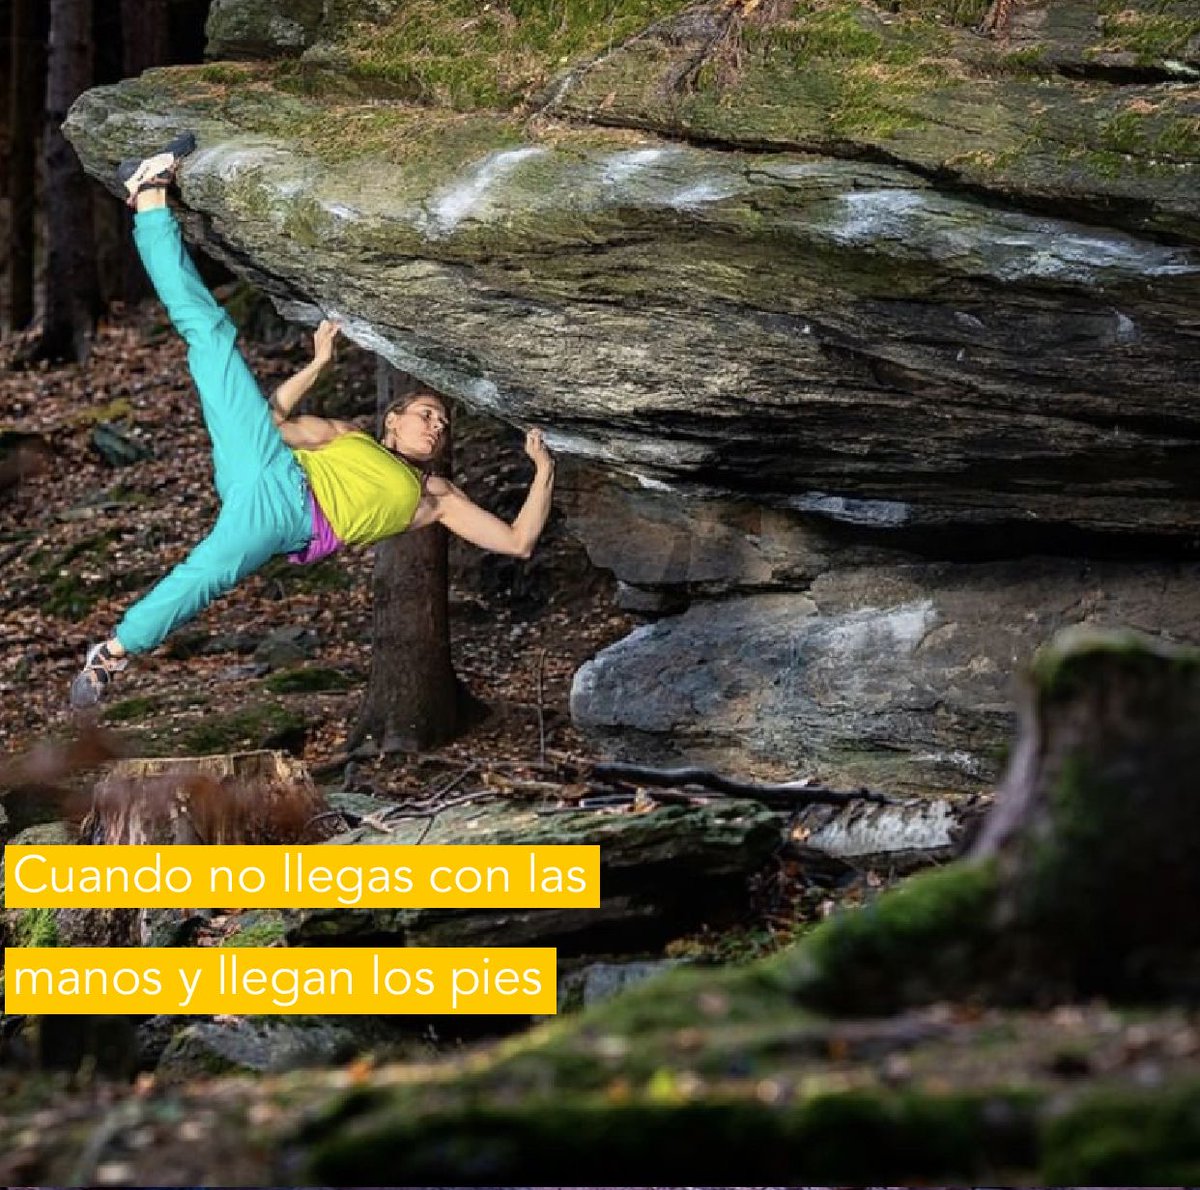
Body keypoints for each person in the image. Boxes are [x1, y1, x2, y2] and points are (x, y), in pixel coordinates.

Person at [69, 134, 555, 709]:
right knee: (214, 338)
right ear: (393, 422)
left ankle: (114, 652)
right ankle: (149, 198)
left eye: (443, 424)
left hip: (284, 518)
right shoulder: (347, 436)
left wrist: (542, 470)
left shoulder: (436, 498)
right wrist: (318, 364)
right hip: (269, 464)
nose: (436, 427)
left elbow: (519, 541)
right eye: (426, 414)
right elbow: (272, 418)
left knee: (204, 578)